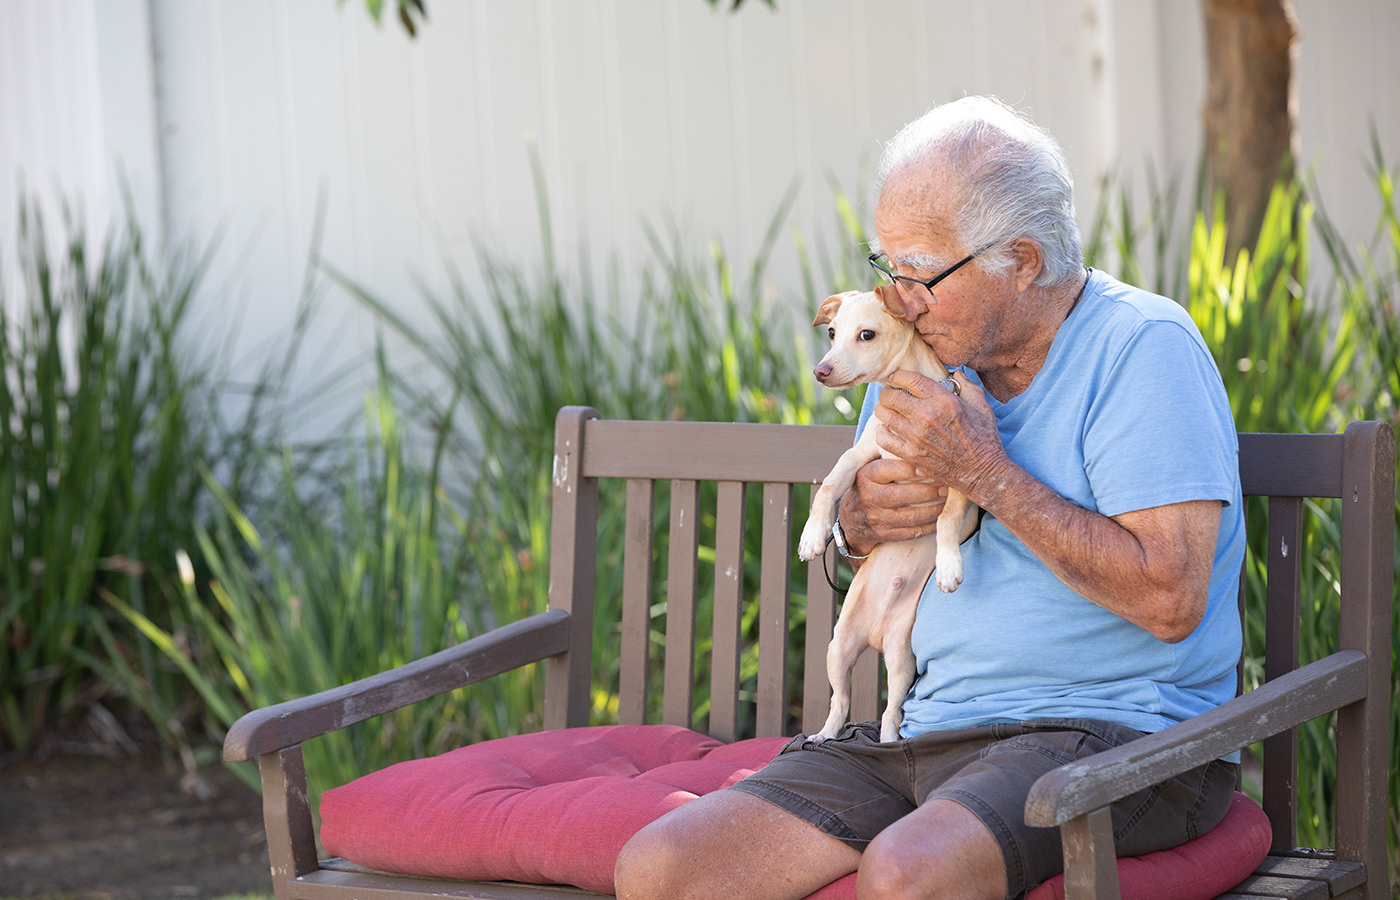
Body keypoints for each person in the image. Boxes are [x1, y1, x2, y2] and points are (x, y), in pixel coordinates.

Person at [613, 95, 1245, 900]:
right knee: (661, 870)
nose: (897, 298)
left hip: (1112, 738)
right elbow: (875, 552)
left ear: (1020, 261)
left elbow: (1170, 600)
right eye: (888, 268)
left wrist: (989, 475)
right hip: (923, 729)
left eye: (919, 274)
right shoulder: (921, 358)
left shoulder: (1143, 350)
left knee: (906, 875)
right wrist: (855, 523)